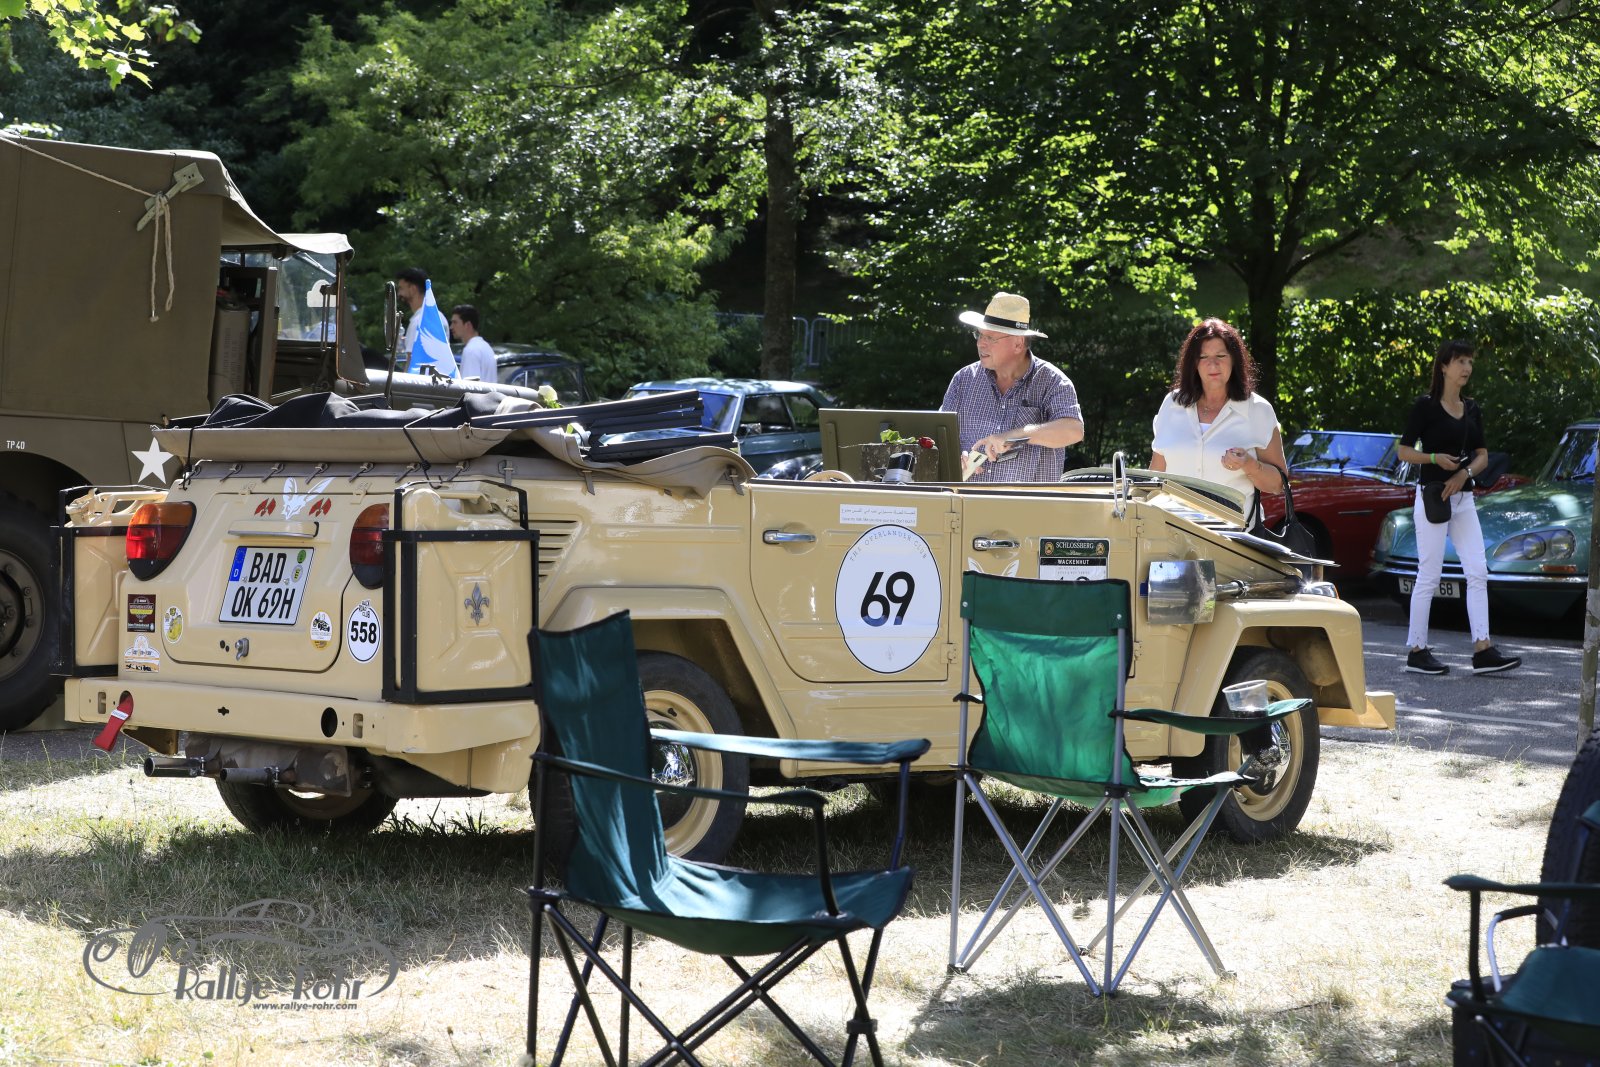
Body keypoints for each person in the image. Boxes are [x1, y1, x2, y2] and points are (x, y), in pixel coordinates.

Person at [1396, 340, 1520, 676]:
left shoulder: (1472, 408)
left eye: (1469, 362)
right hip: (1434, 498)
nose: (1466, 368)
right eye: (1460, 361)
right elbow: (1404, 451)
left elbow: (1482, 455)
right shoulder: (1425, 406)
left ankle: (1483, 648)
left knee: (1478, 571)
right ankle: (1417, 651)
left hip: (1464, 498)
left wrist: (1464, 474)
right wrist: (1434, 458)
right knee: (1430, 573)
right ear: (1444, 366)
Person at [941, 291, 1084, 482]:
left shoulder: (1052, 381)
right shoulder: (964, 379)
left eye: (990, 338)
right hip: (967, 499)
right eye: (979, 335)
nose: (980, 343)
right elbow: (940, 436)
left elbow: (1074, 430)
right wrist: (954, 458)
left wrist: (1017, 434)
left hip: (1027, 501)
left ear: (1018, 344)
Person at [1150, 318, 1287, 508]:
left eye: (1221, 356)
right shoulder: (1172, 404)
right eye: (1203, 357)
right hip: (1174, 525)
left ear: (1234, 360)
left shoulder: (1258, 410)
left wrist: (1249, 464)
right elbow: (1156, 476)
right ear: (1194, 363)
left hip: (1233, 527)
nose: (1213, 364)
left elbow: (1278, 485)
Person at [450, 304, 496, 381]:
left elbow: (470, 386)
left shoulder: (471, 351)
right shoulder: (486, 347)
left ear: (468, 325)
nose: (451, 327)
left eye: (455, 322)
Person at [394, 267, 428, 368]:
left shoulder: (417, 321)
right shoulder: (440, 317)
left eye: (401, 288)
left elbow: (411, 363)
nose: (399, 294)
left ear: (413, 289)